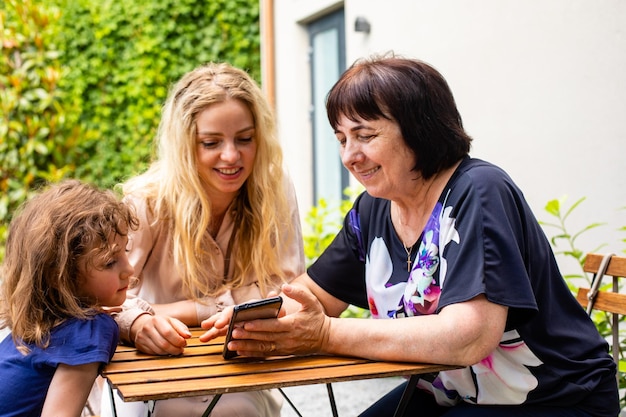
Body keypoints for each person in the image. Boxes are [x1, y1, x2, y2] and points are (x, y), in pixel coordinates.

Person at [201, 55, 619, 416]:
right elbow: (313, 298)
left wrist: (326, 334)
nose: (350, 156)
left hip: (555, 399)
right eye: (342, 139)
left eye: (365, 136)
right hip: (454, 395)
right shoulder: (375, 207)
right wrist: (255, 321)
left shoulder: (479, 191)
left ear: (420, 129)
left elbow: (468, 336)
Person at [100, 62, 305, 417]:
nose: (231, 156)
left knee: (236, 410)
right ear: (184, 145)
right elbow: (103, 301)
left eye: (245, 138)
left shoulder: (274, 190)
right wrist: (139, 323)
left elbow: (288, 292)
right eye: (210, 142)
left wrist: (188, 311)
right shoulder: (146, 203)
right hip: (156, 370)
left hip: (242, 369)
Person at [0, 179, 138, 417]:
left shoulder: (37, 322)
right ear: (61, 277)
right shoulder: (90, 331)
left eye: (125, 251)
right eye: (109, 262)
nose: (129, 269)